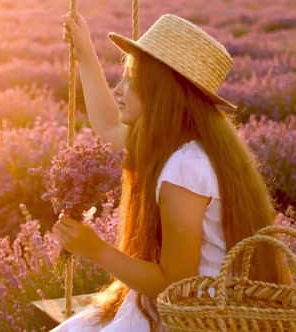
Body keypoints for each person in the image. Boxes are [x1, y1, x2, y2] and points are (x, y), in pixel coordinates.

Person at [51, 13, 291, 332]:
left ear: (164, 90)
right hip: (201, 305)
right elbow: (109, 126)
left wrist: (94, 249)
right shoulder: (188, 142)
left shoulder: (185, 166)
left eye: (132, 79)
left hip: (194, 316)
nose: (119, 89)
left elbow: (175, 284)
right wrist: (85, 54)